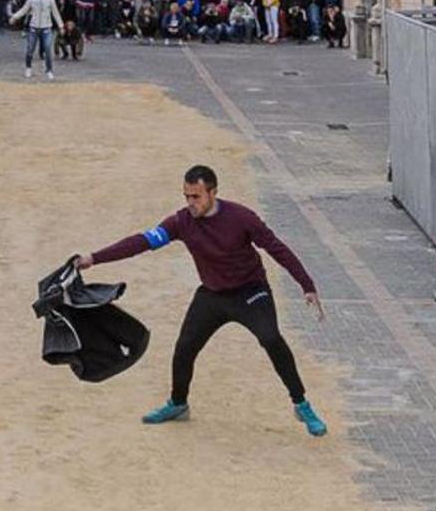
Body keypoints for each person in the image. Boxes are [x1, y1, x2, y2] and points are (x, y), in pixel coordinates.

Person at [74, 165, 327, 434]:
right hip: (212, 295)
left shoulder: (243, 218)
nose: (190, 203)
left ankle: (301, 405)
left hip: (250, 292)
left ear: (213, 193)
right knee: (185, 348)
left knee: (271, 339)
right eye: (186, 196)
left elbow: (278, 249)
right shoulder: (181, 222)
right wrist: (94, 258)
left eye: (196, 197)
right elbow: (141, 242)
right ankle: (178, 404)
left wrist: (306, 284)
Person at [10, 0, 64, 80]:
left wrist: (61, 26)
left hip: (46, 28)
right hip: (34, 27)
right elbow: (24, 10)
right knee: (30, 49)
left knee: (48, 50)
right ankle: (28, 67)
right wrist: (15, 17)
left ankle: (49, 70)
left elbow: (55, 13)